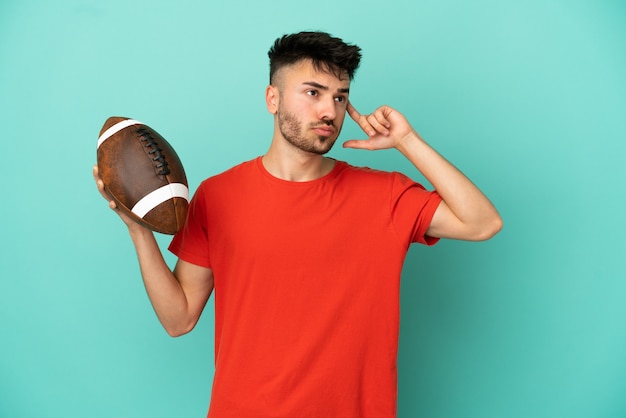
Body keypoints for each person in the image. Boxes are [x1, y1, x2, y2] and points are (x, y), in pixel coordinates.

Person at [94, 31, 502, 418]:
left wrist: (407, 141)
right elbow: (178, 318)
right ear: (273, 98)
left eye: (341, 98)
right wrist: (138, 228)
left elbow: (482, 222)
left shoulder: (384, 196)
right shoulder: (218, 196)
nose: (330, 110)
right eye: (313, 93)